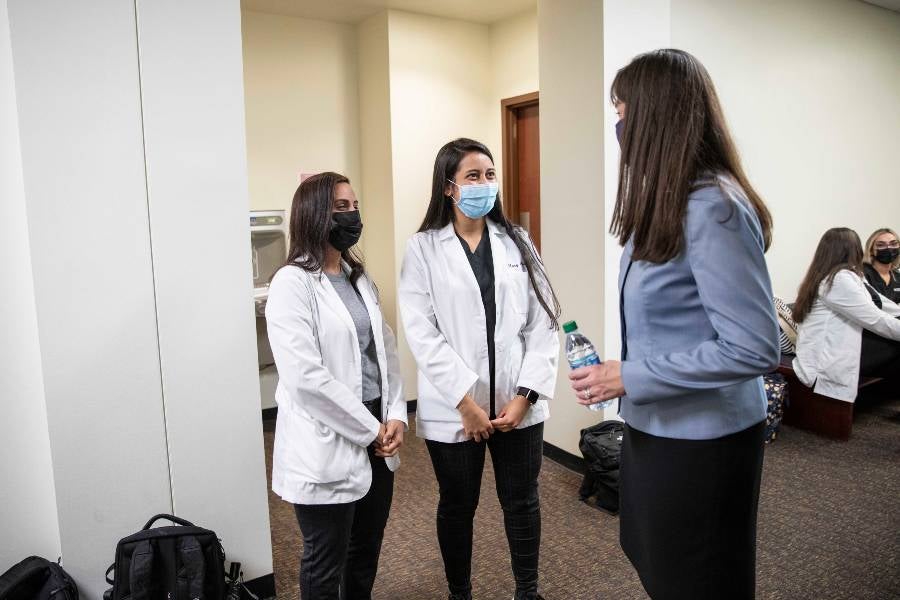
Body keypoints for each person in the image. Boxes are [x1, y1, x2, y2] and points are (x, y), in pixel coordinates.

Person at [570, 49, 780, 600]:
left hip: (705, 440)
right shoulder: (666, 200)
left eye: (621, 110)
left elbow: (755, 347)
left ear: (655, 116)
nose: (617, 125)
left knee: (697, 577)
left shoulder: (714, 208)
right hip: (655, 427)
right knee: (650, 554)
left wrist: (629, 376)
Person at [398, 138, 560, 600]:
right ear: (449, 187)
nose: (484, 184)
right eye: (473, 176)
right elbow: (421, 331)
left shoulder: (517, 241)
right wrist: (465, 403)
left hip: (516, 403)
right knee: (457, 506)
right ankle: (459, 592)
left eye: (490, 175)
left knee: (523, 502)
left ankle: (527, 592)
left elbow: (545, 320)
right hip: (456, 408)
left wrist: (526, 394)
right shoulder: (424, 248)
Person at [265, 172, 408, 600]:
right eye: (340, 207)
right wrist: (371, 430)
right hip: (329, 439)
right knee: (325, 561)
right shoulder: (292, 283)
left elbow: (385, 353)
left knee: (365, 553)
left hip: (378, 430)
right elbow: (305, 379)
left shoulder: (357, 278)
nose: (352, 215)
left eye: (354, 206)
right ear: (313, 216)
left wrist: (397, 413)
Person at [792, 228, 900, 397]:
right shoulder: (837, 280)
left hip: (846, 345)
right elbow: (876, 319)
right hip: (828, 358)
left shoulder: (849, 275)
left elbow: (883, 304)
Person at [862, 227, 900, 304]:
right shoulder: (862, 273)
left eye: (893, 244)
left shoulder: (897, 276)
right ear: (871, 250)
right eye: (881, 245)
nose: (888, 248)